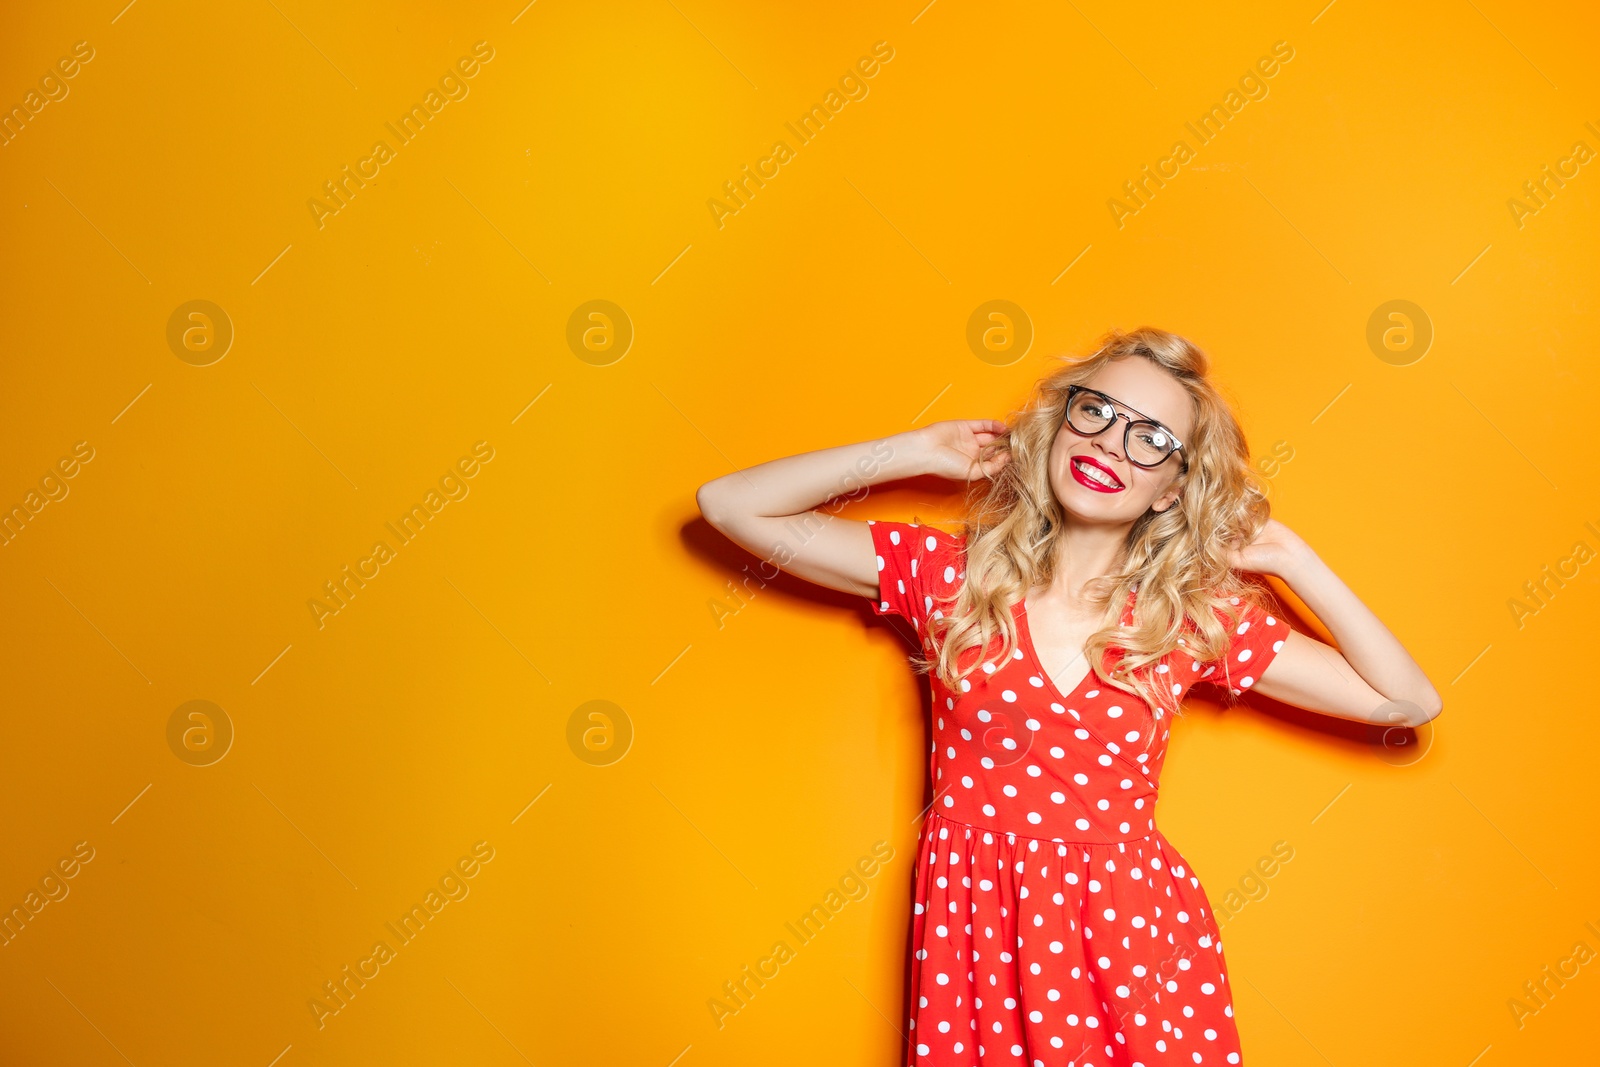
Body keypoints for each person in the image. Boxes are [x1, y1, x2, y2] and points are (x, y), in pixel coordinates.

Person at [695, 327, 1441, 1065]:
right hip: (975, 931)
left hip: (1130, 941)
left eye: (1152, 439)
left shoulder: (1184, 617)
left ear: (1172, 488)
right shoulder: (950, 576)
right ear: (1059, 427)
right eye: (1099, 412)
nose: (1114, 444)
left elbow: (1407, 701)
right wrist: (915, 451)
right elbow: (729, 504)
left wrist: (1288, 557)